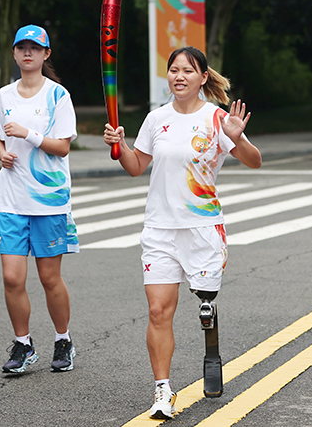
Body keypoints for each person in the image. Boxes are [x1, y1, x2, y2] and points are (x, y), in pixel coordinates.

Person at [103, 46, 261, 419]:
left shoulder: (217, 118)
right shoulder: (157, 119)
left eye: (187, 71)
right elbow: (136, 166)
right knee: (158, 311)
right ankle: (162, 391)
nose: (179, 76)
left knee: (205, 297)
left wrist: (237, 138)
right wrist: (120, 146)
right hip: (160, 228)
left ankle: (209, 318)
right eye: (173, 70)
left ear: (203, 78)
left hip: (202, 228)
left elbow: (254, 161)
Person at [0, 25, 79, 375]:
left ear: (46, 54)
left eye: (35, 48)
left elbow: (62, 146)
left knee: (48, 278)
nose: (28, 53)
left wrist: (27, 134)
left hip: (48, 200)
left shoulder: (57, 96)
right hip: (11, 198)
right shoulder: (3, 96)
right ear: (14, 53)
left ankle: (63, 339)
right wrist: (2, 154)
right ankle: (23, 344)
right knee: (12, 277)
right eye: (22, 47)